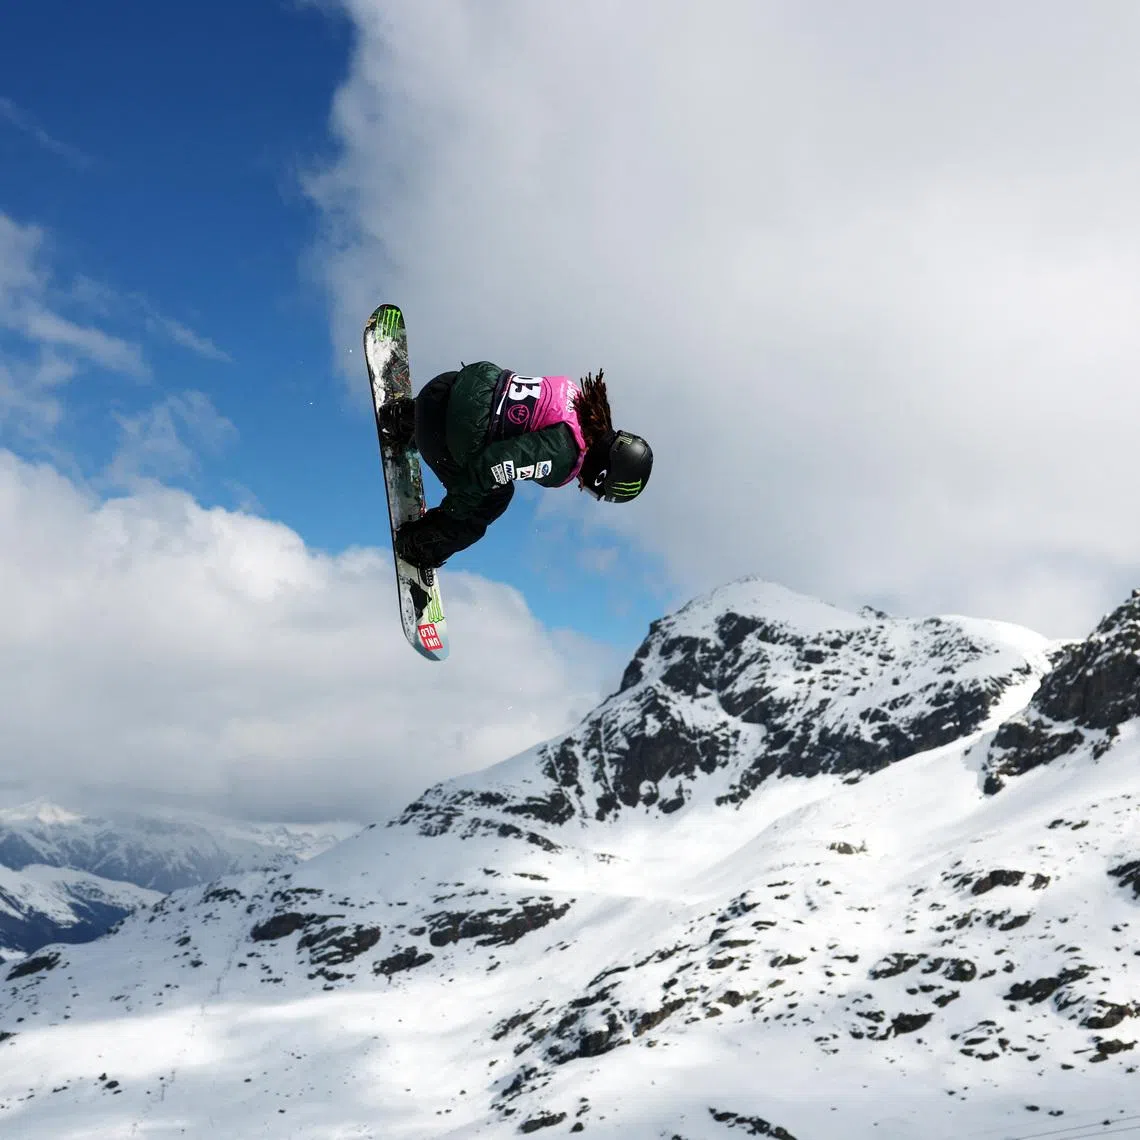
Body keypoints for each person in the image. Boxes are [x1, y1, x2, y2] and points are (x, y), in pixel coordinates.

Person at [377, 363, 652, 570]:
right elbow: (493, 466)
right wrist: (453, 513)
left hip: (438, 391)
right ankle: (417, 546)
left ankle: (401, 417)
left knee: (488, 419)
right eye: (596, 490)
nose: (584, 488)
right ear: (601, 474)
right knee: (493, 499)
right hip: (439, 435)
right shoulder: (565, 453)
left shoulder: (580, 402)